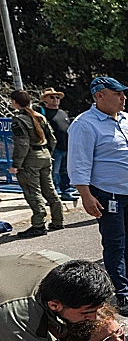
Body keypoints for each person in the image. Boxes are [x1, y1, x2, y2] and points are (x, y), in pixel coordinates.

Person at [68, 77, 128, 317]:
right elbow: (78, 163)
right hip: (108, 194)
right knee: (114, 243)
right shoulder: (85, 124)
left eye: (124, 93)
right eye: (118, 94)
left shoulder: (127, 119)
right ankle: (121, 292)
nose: (124, 98)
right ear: (100, 96)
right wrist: (86, 196)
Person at [8, 90, 64, 238]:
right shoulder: (40, 117)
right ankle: (58, 220)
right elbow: (52, 138)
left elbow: (22, 144)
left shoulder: (19, 119)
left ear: (15, 102)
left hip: (30, 158)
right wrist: (47, 153)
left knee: (33, 191)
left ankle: (38, 224)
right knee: (49, 188)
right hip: (45, 154)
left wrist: (16, 164)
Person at [39, 88, 75, 201]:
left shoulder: (62, 113)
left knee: (65, 171)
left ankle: (66, 191)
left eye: (57, 97)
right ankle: (51, 196)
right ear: (45, 100)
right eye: (52, 97)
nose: (55, 99)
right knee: (53, 172)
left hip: (66, 147)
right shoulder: (42, 113)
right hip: (53, 148)